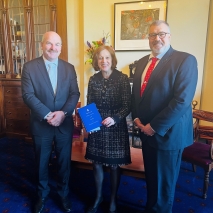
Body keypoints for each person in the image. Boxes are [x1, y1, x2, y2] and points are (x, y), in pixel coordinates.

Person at [131, 20, 198, 213]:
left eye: (161, 34)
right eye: (152, 34)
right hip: (146, 132)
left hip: (167, 134)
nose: (156, 38)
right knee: (152, 178)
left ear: (169, 36)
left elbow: (182, 101)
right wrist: (136, 119)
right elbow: (137, 95)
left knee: (164, 185)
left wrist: (154, 126)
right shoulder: (143, 62)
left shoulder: (185, 60)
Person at [21, 31, 80, 213]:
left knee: (64, 163)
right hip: (41, 124)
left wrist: (63, 113)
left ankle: (63, 194)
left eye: (57, 44)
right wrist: (48, 115)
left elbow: (74, 93)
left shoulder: (69, 68)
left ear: (61, 47)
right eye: (49, 43)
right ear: (41, 45)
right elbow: (28, 95)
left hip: (64, 124)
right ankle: (42, 194)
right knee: (41, 162)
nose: (53, 48)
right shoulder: (29, 67)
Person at [85, 45, 131, 213]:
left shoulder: (123, 78)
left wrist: (115, 118)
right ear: (97, 61)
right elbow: (90, 104)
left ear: (112, 59)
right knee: (96, 163)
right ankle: (98, 197)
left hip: (115, 127)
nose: (104, 61)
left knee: (113, 166)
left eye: (107, 58)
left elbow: (127, 106)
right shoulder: (93, 79)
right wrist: (89, 123)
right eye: (100, 58)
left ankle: (113, 198)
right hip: (97, 126)